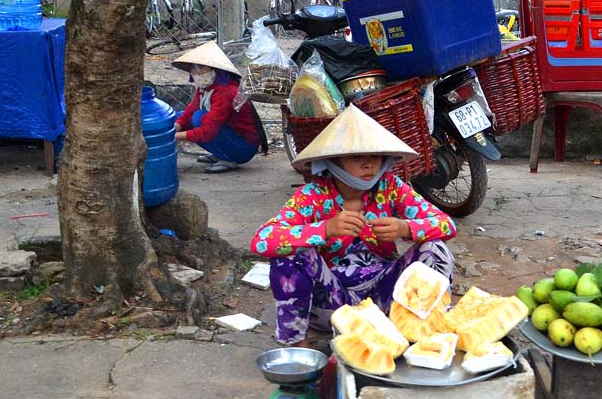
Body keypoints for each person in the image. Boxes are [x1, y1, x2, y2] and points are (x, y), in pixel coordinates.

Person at [249, 105, 456, 346]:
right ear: (334, 161)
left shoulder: (391, 187)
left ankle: (422, 328)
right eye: (357, 157)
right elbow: (263, 240)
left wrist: (404, 228)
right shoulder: (313, 196)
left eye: (375, 157)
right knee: (290, 254)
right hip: (333, 304)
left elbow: (446, 224)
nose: (369, 165)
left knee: (434, 249)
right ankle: (296, 347)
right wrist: (324, 230)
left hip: (386, 296)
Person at [172, 42, 261, 174]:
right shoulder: (206, 88)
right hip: (229, 136)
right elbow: (190, 111)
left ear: (216, 70)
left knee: (198, 118)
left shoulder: (226, 91)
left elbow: (208, 130)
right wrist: (175, 127)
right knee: (181, 116)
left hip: (244, 147)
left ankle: (229, 158)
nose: (196, 72)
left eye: (201, 67)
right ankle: (220, 153)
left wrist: (174, 136)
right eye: (194, 67)